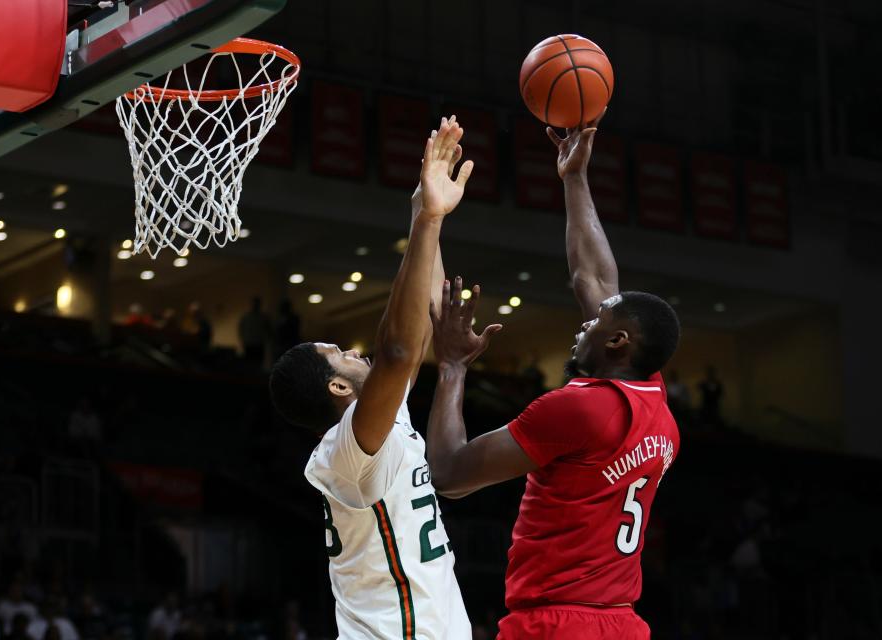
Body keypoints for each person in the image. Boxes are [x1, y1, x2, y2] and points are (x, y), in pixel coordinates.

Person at [425, 113, 681, 640]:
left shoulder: (579, 410)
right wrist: (575, 179)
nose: (584, 321)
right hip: (622, 624)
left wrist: (451, 367)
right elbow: (594, 277)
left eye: (596, 322)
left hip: (557, 622)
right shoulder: (653, 397)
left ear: (617, 343)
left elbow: (449, 475)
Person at [269, 116, 474, 639]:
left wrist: (424, 213)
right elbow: (399, 350)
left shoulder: (380, 421)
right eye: (340, 354)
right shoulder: (348, 450)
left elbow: (424, 322)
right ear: (338, 388)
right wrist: (426, 219)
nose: (355, 352)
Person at [238, 297, 270, 367]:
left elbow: (268, 330)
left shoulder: (263, 317)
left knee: (257, 364)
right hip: (250, 344)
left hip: (258, 344)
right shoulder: (247, 317)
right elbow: (241, 330)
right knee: (250, 365)